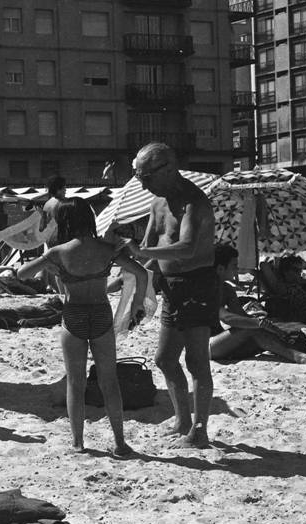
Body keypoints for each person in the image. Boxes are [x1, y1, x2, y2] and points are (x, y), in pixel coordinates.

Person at [17, 197, 147, 457]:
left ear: (64, 222)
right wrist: (136, 307)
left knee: (75, 383)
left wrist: (52, 265)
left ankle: (78, 443)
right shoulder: (106, 249)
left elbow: (22, 274)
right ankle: (120, 443)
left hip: (74, 314)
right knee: (109, 382)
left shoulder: (59, 252)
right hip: (100, 314)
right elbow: (141, 274)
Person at [118, 142, 217, 448]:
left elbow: (186, 247)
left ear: (169, 168)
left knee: (197, 361)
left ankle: (199, 431)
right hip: (172, 287)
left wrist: (141, 251)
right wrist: (121, 265)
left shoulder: (193, 203)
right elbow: (147, 253)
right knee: (164, 359)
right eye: (139, 178)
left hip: (197, 284)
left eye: (146, 177)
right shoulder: (158, 203)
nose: (143, 184)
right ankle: (182, 421)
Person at [210, 245, 306, 365]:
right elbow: (226, 318)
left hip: (223, 342)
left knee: (284, 334)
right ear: (220, 269)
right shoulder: (207, 290)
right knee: (254, 330)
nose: (236, 270)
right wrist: (258, 323)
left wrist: (274, 328)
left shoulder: (227, 289)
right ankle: (302, 358)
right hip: (208, 347)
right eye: (233, 266)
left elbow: (240, 316)